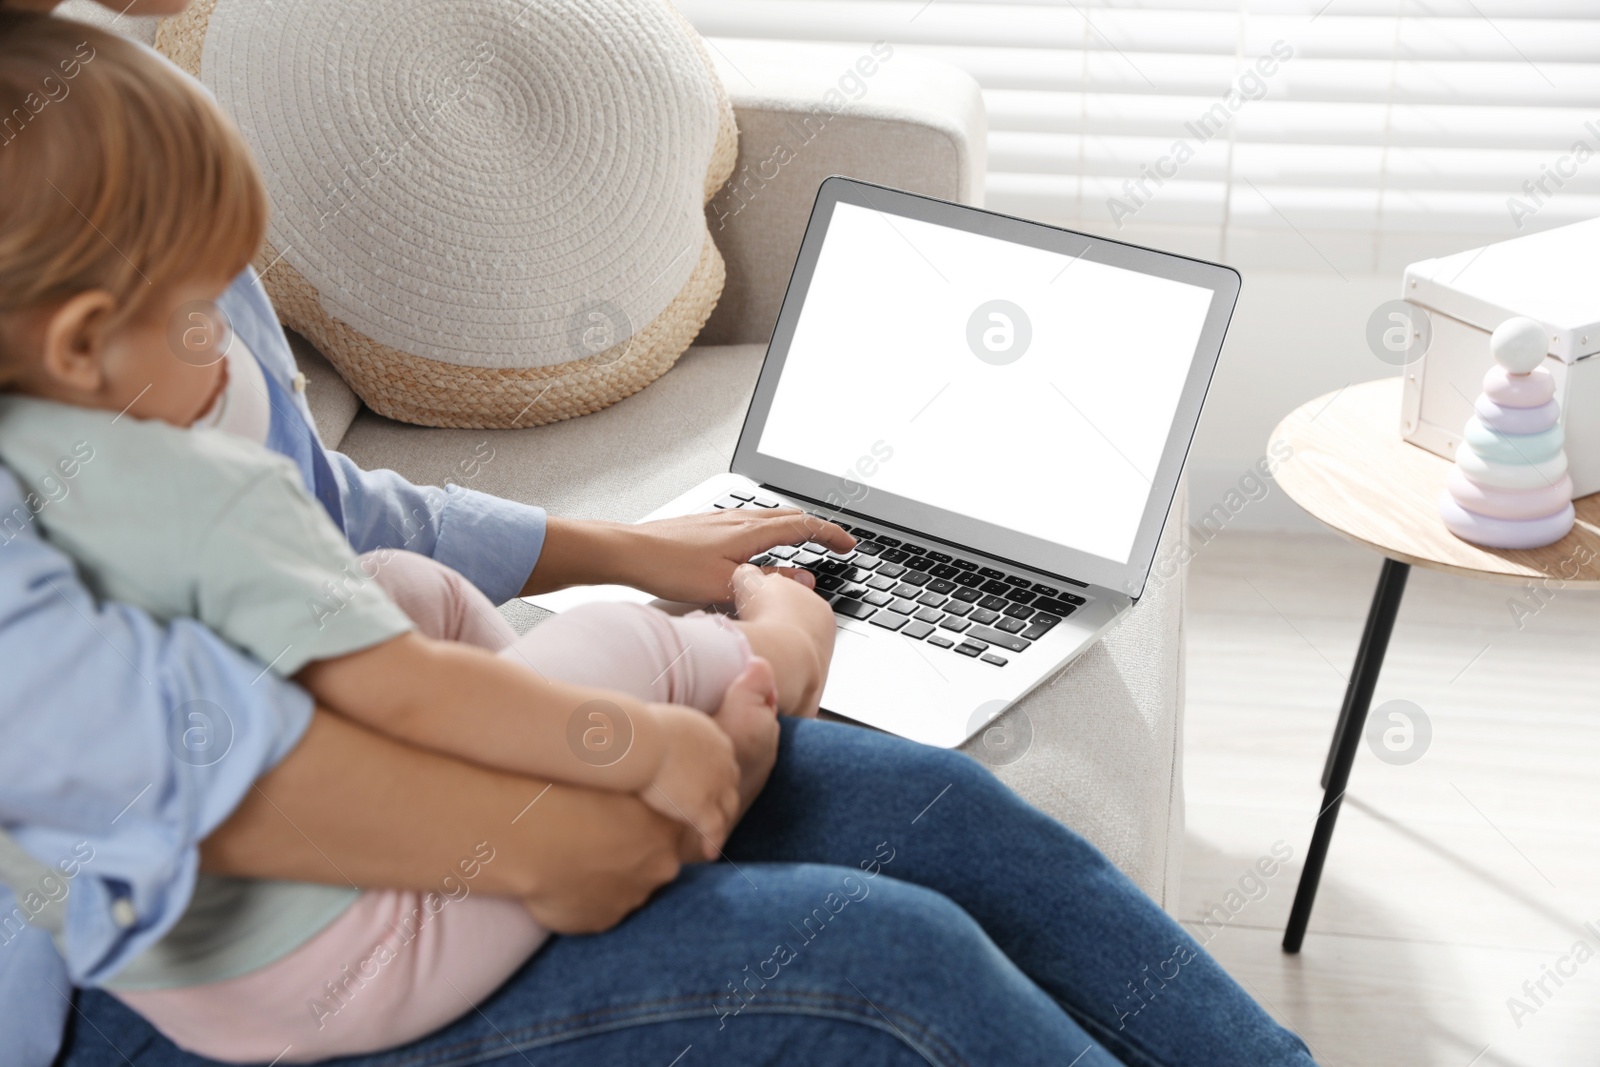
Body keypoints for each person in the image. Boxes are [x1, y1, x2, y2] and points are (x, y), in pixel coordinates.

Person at [0, 2, 1322, 1064]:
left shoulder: (108, 127)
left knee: (940, 812)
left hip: (356, 752)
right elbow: (166, 763)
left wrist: (631, 553)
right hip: (181, 976)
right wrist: (598, 794)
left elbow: (302, 504)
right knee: (883, 968)